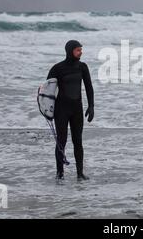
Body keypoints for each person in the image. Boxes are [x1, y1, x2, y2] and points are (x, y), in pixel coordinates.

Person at [47, 40, 94, 181]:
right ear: (70, 51)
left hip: (77, 110)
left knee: (78, 141)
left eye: (81, 49)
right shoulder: (57, 68)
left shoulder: (82, 67)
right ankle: (59, 173)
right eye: (78, 50)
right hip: (61, 110)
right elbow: (47, 90)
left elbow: (89, 87)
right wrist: (47, 110)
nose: (81, 52)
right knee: (61, 141)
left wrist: (91, 106)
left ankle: (80, 173)